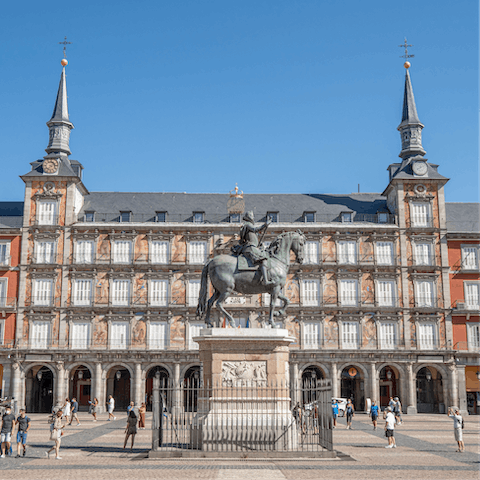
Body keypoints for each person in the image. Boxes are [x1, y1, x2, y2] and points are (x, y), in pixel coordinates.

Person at [233, 211, 273, 286]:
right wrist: (265, 224)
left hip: (252, 247)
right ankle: (266, 280)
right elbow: (255, 229)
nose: (253, 217)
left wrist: (258, 243)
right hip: (250, 248)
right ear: (249, 217)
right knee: (263, 260)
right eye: (252, 216)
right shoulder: (248, 224)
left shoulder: (248, 226)